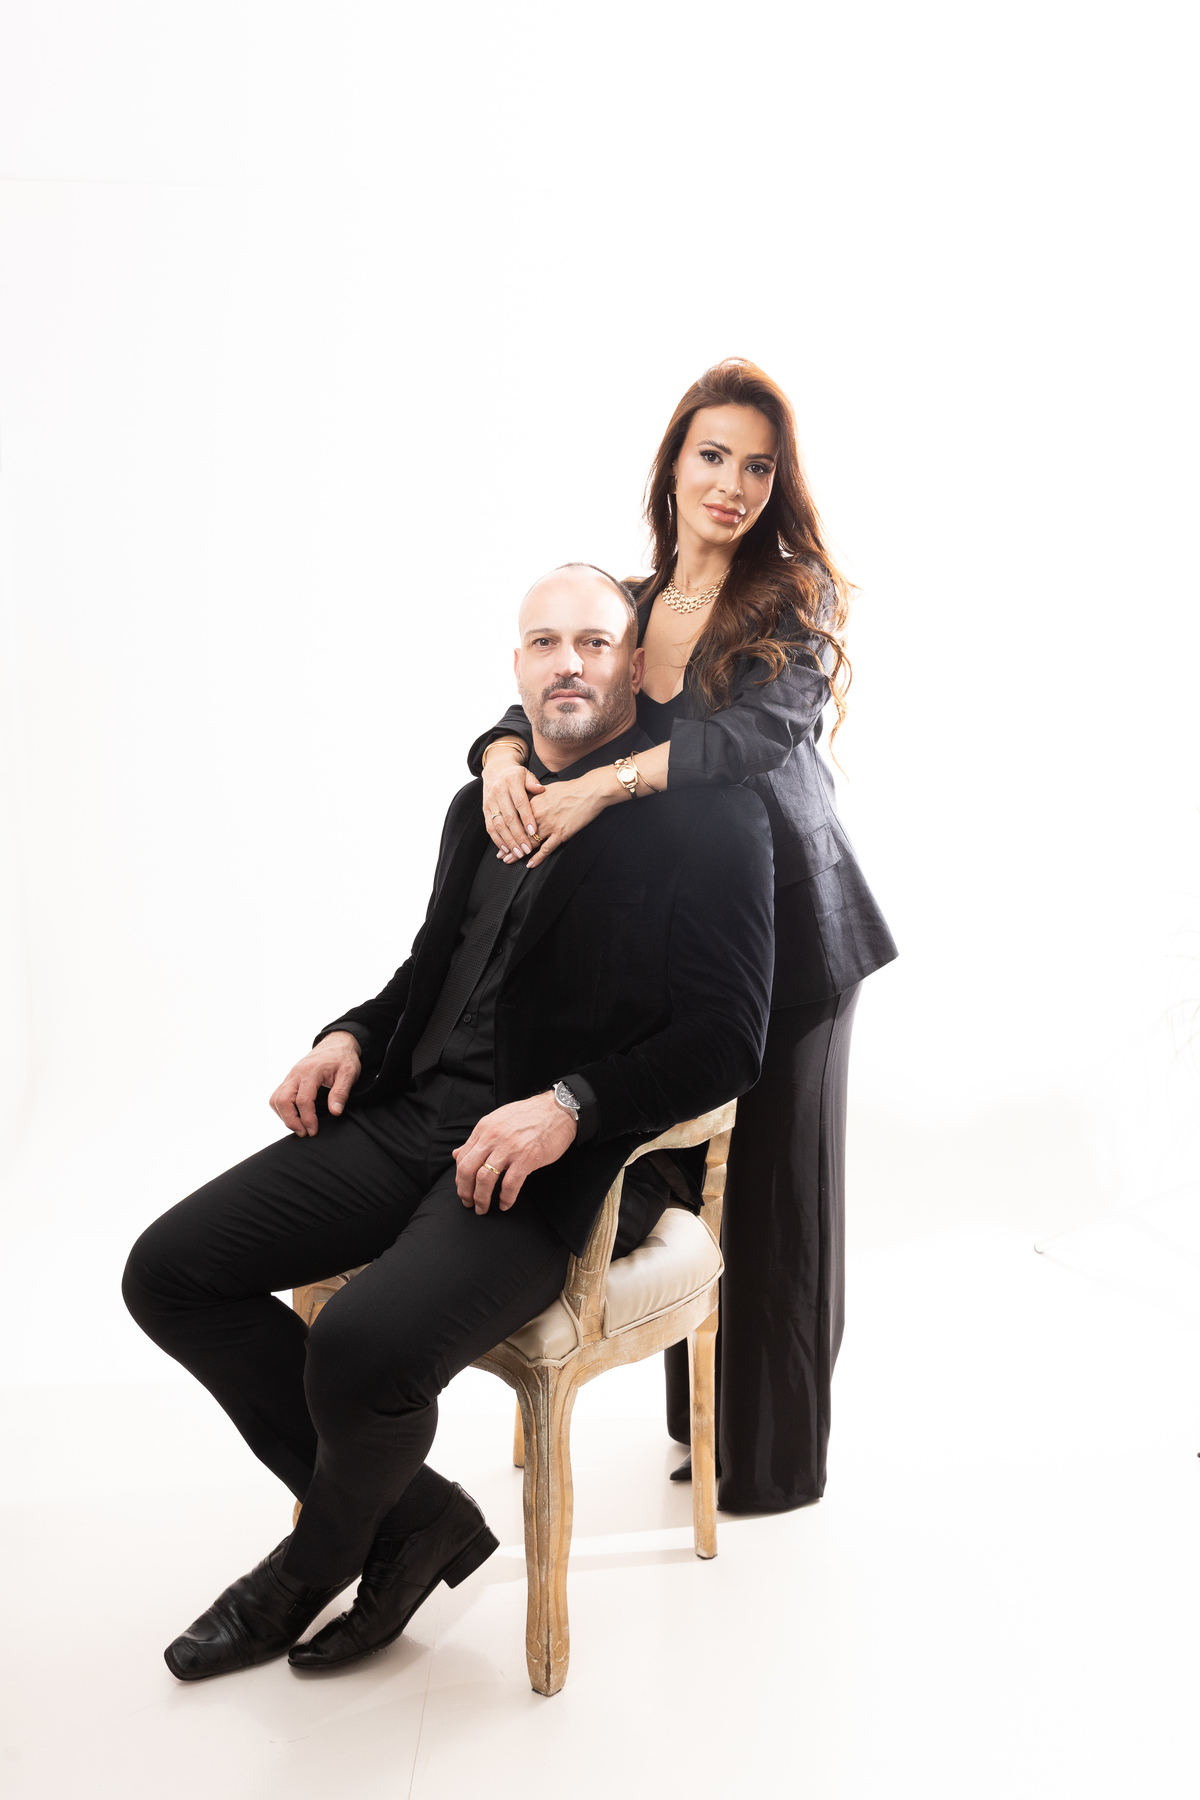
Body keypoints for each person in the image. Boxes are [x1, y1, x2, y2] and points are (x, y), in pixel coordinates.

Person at [123, 562, 774, 1682]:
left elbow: (728, 1042)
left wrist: (570, 1107)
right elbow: (434, 969)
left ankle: (308, 1569)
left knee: (359, 1345)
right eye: (544, 643)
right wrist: (349, 1037)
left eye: (595, 643)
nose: (568, 664)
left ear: (634, 668)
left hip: (560, 1164)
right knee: (169, 1273)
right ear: (515, 666)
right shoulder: (482, 805)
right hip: (414, 1116)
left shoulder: (710, 821)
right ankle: (415, 1518)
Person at [470, 360, 897, 1514]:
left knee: (777, 1202)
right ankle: (700, 1428)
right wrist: (502, 752)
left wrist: (603, 788)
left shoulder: (793, 596)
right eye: (713, 455)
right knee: (689, 1183)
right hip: (691, 946)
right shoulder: (630, 598)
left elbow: (753, 739)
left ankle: (773, 1464)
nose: (732, 484)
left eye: (758, 466)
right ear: (672, 465)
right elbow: (560, 687)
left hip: (800, 938)